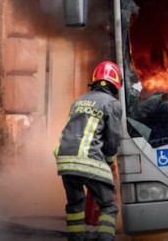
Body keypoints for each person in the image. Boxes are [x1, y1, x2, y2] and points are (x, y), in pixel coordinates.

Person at [54, 61, 124, 241]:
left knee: (75, 205)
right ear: (116, 83)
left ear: (94, 80)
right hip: (89, 159)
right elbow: (113, 139)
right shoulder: (112, 104)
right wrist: (108, 162)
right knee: (108, 206)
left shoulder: (77, 101)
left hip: (65, 161)